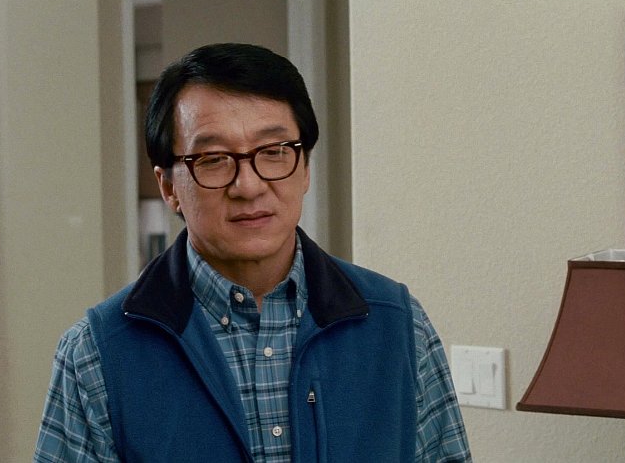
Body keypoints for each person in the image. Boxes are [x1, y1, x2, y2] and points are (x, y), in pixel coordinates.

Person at [34, 43, 472, 463]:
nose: (248, 186)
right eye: (213, 159)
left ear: (305, 168)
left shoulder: (398, 326)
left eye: (274, 152)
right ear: (168, 187)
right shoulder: (96, 354)